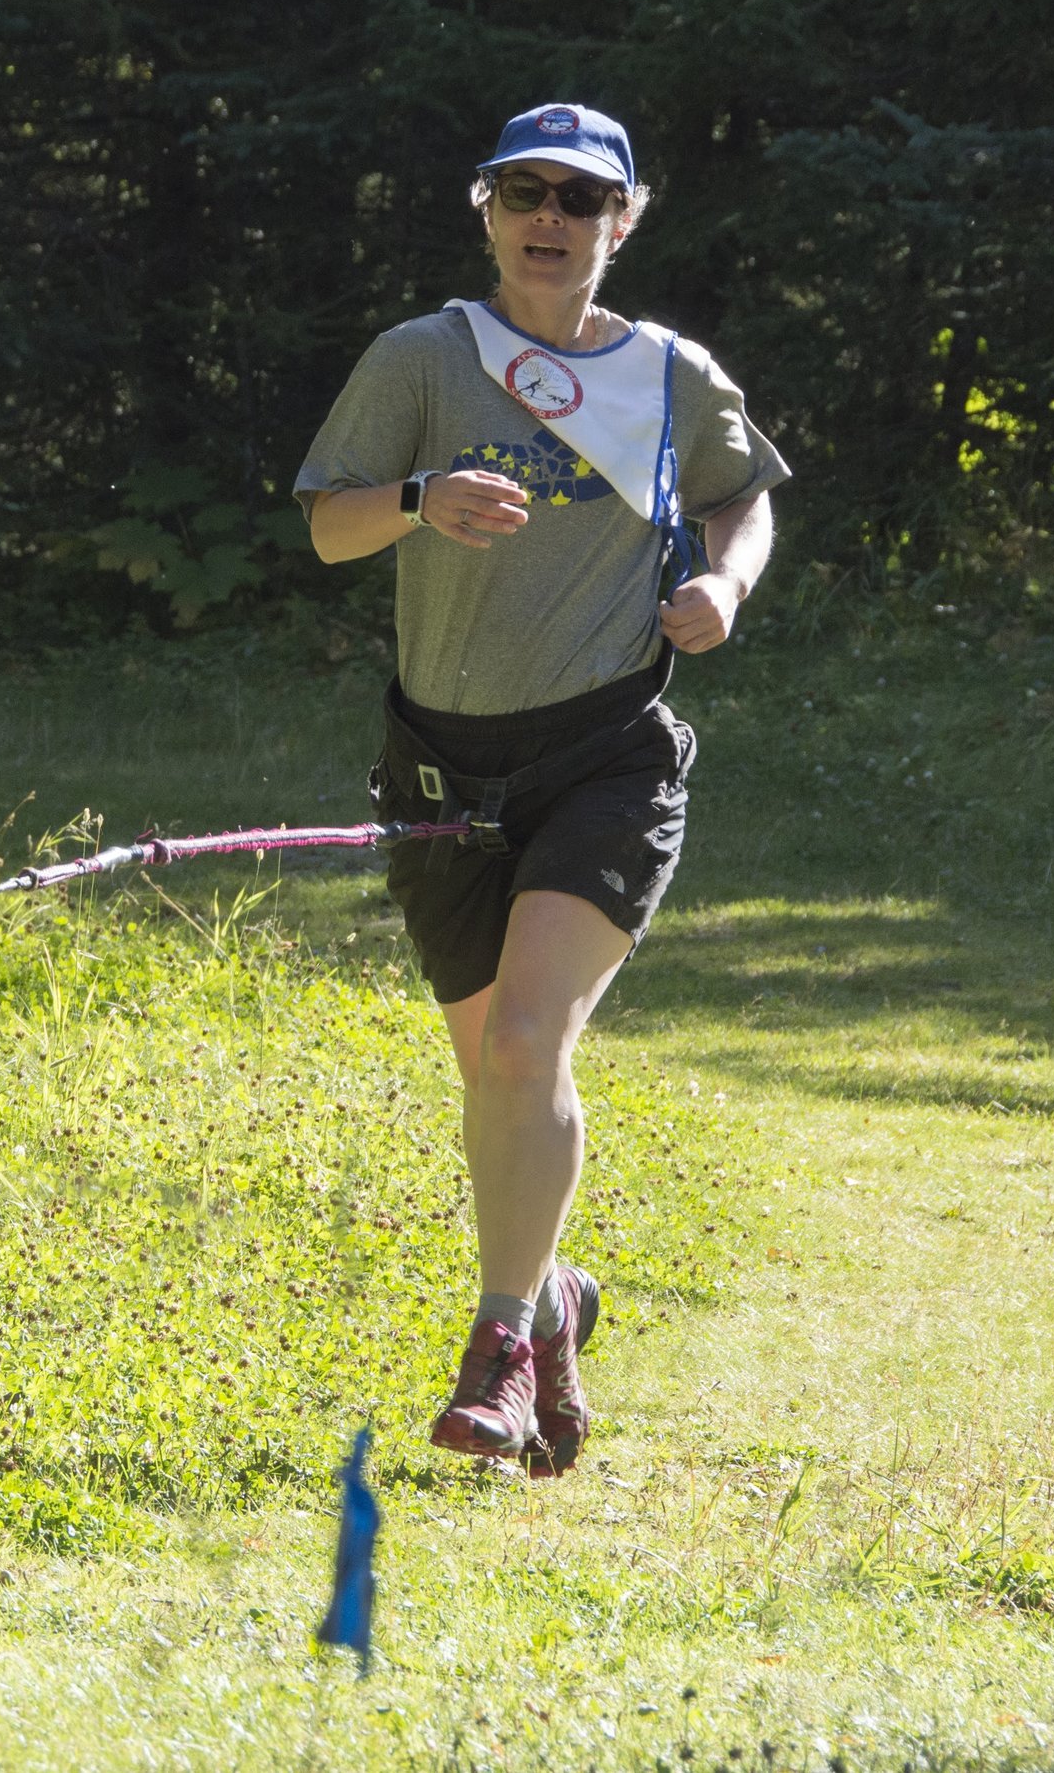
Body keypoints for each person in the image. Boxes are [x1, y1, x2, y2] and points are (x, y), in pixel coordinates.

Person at [293, 103, 789, 1476]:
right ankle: (557, 1293)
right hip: (440, 766)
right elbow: (331, 525)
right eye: (527, 191)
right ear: (487, 207)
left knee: (526, 1045)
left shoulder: (675, 376)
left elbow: (748, 496)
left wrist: (722, 585)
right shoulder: (423, 358)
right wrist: (416, 500)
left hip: (606, 757)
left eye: (583, 197)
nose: (551, 217)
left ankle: (502, 1341)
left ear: (623, 222)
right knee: (493, 1074)